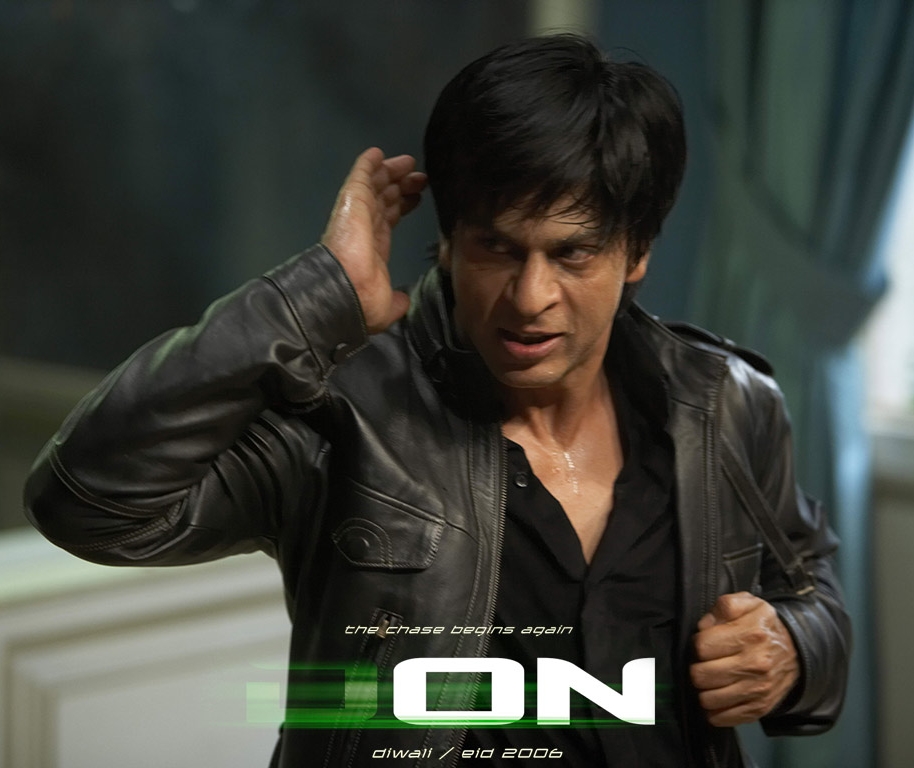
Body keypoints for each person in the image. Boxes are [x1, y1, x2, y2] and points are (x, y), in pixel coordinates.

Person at [24, 34, 849, 767]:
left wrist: (793, 648)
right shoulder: (346, 415)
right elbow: (89, 503)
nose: (529, 298)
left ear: (635, 253)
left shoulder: (726, 403)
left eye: (572, 255)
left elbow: (809, 588)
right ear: (449, 242)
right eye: (497, 247)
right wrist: (315, 297)